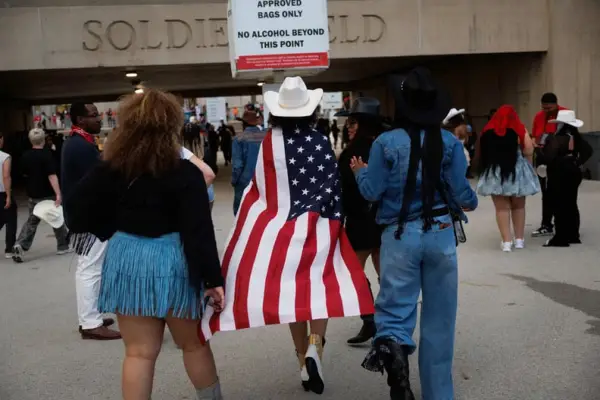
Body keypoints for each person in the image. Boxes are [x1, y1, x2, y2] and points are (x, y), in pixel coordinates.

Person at [200, 77, 374, 396]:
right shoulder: (320, 140)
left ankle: (300, 361)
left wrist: (252, 224)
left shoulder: (270, 142)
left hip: (285, 229)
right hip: (319, 226)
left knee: (295, 296)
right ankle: (315, 348)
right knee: (318, 290)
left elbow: (262, 191)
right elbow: (333, 184)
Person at [65, 89, 225, 400]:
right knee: (193, 345)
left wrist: (111, 226)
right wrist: (212, 279)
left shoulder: (110, 168)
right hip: (174, 259)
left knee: (138, 353)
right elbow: (198, 231)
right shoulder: (185, 172)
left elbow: (75, 212)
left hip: (127, 257)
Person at [353, 67, 478, 400]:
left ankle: (393, 347)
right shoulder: (449, 142)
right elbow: (463, 194)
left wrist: (360, 173)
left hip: (398, 237)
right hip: (440, 235)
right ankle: (438, 394)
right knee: (440, 319)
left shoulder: (385, 143)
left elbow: (372, 191)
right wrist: (471, 202)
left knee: (395, 310)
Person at [61, 102, 122, 340]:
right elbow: (97, 184)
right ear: (80, 119)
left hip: (85, 217)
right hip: (88, 219)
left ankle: (91, 315)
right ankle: (90, 323)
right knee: (90, 269)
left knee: (91, 268)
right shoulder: (80, 147)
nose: (99, 119)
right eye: (94, 115)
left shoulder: (78, 143)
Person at [338, 98, 384, 345]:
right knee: (384, 273)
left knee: (353, 272)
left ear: (364, 124)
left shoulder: (353, 152)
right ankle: (386, 319)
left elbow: (347, 189)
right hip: (381, 218)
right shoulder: (383, 146)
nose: (348, 126)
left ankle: (370, 318)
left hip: (360, 220)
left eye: (353, 122)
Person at [476, 106, 540, 252]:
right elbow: (529, 148)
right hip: (516, 170)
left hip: (494, 172)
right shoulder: (519, 128)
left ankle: (506, 242)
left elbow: (481, 153)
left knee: (501, 208)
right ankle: (519, 240)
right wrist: (528, 166)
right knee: (519, 206)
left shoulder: (487, 130)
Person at [11, 128, 70, 263]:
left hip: (33, 195)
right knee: (56, 219)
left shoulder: (25, 156)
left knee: (32, 222)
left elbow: (23, 174)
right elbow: (52, 175)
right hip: (48, 194)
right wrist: (58, 194)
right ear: (43, 140)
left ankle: (20, 244)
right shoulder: (48, 154)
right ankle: (63, 245)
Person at [540, 110, 593, 247]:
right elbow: (588, 151)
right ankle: (573, 234)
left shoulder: (556, 138)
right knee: (571, 203)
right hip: (574, 171)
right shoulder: (576, 136)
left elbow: (549, 156)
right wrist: (578, 161)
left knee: (559, 204)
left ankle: (561, 237)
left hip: (559, 171)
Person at [531, 93, 567, 238]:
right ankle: (546, 224)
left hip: (559, 158)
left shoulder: (565, 114)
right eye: (544, 107)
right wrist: (534, 142)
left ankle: (563, 223)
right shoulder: (539, 116)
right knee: (546, 192)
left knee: (562, 192)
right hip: (542, 156)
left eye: (549, 108)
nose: (546, 110)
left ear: (556, 104)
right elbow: (535, 134)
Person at [231, 104, 266, 215]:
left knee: (241, 214)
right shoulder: (266, 137)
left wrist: (234, 181)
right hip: (265, 181)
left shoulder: (239, 139)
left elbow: (237, 165)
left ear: (243, 124)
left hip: (244, 182)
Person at [0, 132, 17, 258]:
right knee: (10, 219)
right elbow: (6, 176)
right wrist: (8, 195)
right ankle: (9, 249)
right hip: (2, 192)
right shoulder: (5, 157)